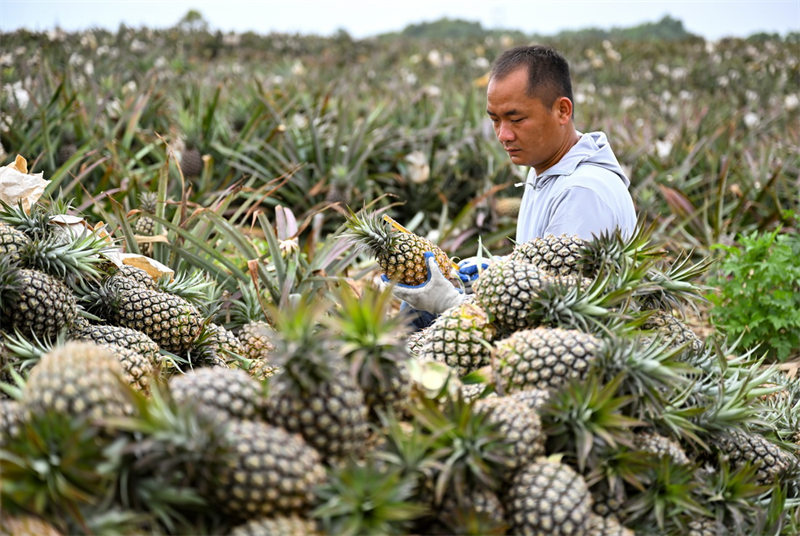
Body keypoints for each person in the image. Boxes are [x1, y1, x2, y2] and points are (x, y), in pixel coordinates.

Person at [390, 44, 637, 321]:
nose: (503, 135)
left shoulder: (581, 194)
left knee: (417, 313)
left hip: (564, 347)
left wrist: (451, 303)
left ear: (562, 111)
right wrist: (496, 267)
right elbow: (545, 271)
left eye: (516, 119)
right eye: (495, 120)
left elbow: (558, 320)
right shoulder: (546, 167)